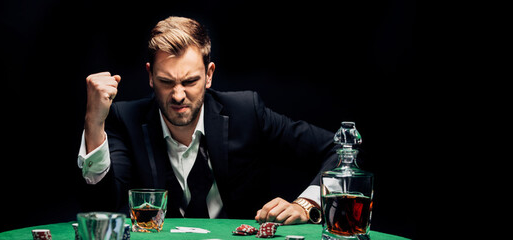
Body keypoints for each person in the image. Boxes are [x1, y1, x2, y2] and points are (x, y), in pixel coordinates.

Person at [77, 16, 338, 225]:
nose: (178, 95)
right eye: (166, 82)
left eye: (190, 81)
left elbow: (340, 148)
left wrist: (307, 204)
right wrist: (94, 123)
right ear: (150, 76)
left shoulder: (247, 111)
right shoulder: (126, 119)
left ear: (209, 74)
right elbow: (101, 208)